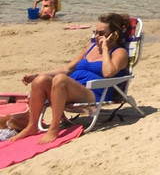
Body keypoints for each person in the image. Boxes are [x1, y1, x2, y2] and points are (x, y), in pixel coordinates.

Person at [10, 13, 131, 144]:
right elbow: (67, 69)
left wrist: (105, 48)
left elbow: (108, 73)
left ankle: (54, 128)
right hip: (70, 88)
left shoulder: (120, 52)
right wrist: (37, 75)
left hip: (95, 92)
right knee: (41, 80)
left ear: (114, 34)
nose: (96, 36)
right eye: (95, 32)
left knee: (61, 79)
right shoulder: (90, 48)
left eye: (101, 33)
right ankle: (32, 126)